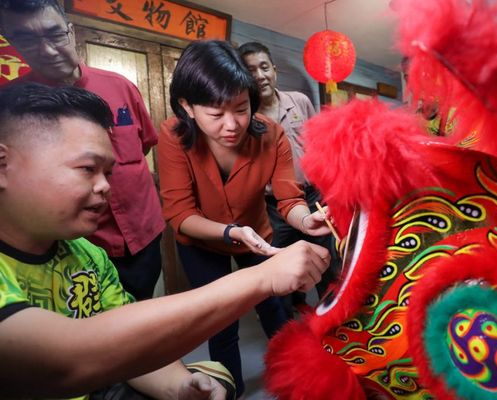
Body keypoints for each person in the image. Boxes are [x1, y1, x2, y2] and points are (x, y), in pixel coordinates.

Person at [0, 82, 330, 399]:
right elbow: (67, 361)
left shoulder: (88, 256)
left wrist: (179, 387)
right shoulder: (176, 137)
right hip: (207, 245)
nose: (105, 186)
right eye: (87, 168)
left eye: (108, 173)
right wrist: (261, 277)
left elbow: (129, 345)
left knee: (216, 376)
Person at [158, 40, 331, 398]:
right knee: (221, 323)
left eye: (241, 109)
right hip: (202, 243)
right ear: (187, 106)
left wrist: (305, 221)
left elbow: (288, 198)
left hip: (257, 236)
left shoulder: (271, 134)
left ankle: (299, 381)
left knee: (275, 310)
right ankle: (231, 391)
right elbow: (180, 214)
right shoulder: (173, 136)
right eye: (216, 114)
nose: (232, 125)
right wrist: (231, 231)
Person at [0, 0, 164, 300]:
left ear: (71, 31)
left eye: (54, 34)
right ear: (11, 42)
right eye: (26, 39)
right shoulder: (12, 104)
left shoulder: (121, 86)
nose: (47, 50)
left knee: (141, 312)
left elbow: (144, 146)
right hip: (74, 248)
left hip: (143, 235)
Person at [238, 41, 340, 315]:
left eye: (264, 67)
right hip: (272, 206)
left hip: (312, 195)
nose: (260, 76)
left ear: (274, 70)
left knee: (329, 260)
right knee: (281, 265)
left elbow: (319, 145)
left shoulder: (299, 101)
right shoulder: (244, 116)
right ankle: (288, 326)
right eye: (251, 71)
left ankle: (334, 319)